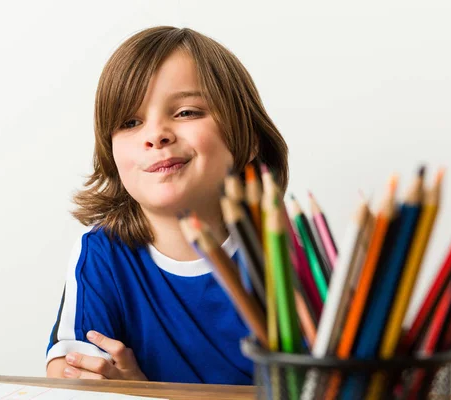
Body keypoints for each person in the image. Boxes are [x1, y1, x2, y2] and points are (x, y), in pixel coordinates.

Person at [46, 25, 288, 384]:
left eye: (187, 112)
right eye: (130, 122)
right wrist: (110, 384)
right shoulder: (102, 253)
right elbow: (67, 372)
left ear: (249, 140)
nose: (156, 135)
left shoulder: (282, 252)